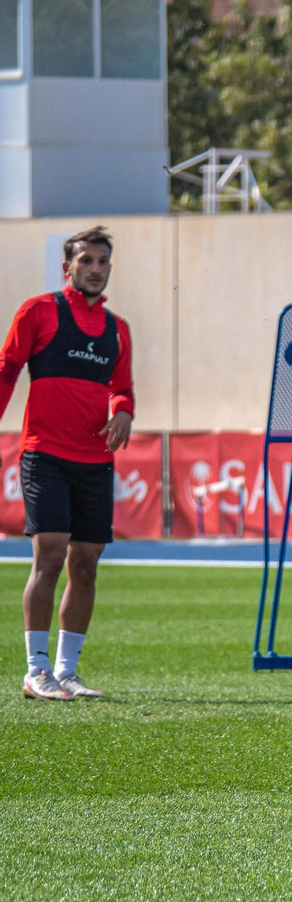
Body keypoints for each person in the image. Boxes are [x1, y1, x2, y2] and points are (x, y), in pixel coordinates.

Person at [2, 226, 135, 701]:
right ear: (68, 268)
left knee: (86, 564)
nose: (95, 270)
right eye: (86, 262)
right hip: (45, 453)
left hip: (94, 459)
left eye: (102, 262)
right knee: (51, 554)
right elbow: (6, 370)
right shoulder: (38, 311)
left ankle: (66, 672)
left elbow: (123, 387)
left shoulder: (118, 329)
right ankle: (35, 671)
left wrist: (122, 411)